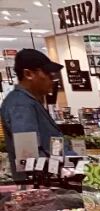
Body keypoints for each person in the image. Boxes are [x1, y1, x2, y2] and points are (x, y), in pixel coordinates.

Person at [1, 49, 65, 180]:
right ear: (28, 74)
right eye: (47, 73)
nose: (52, 79)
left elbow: (51, 142)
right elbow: (29, 155)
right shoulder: (20, 105)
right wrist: (61, 169)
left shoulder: (29, 101)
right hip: (40, 185)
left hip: (49, 180)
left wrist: (69, 162)